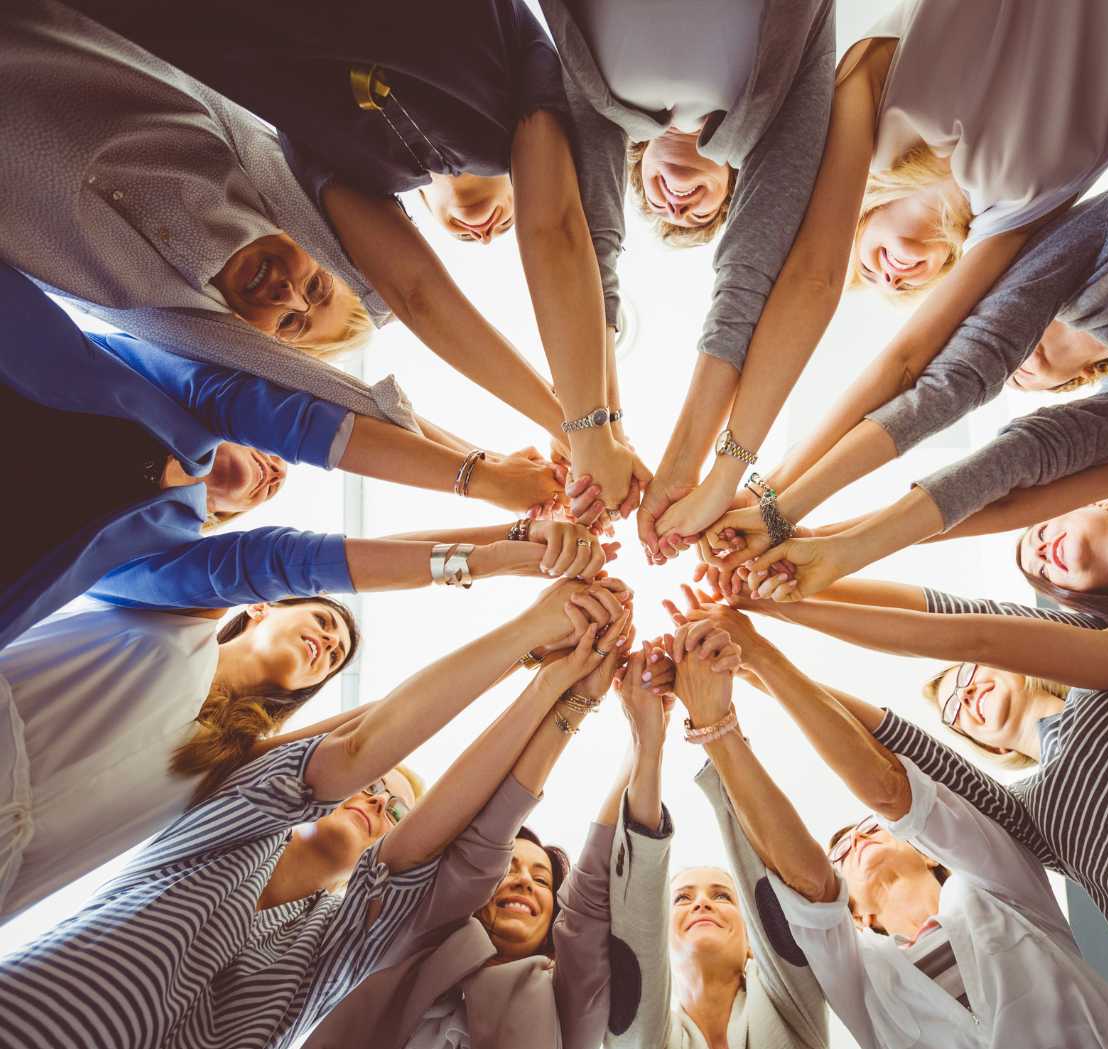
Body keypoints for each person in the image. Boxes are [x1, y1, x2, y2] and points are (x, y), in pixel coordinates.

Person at [649, 0, 1108, 557]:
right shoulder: (1021, 221)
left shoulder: (865, 101)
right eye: (903, 290)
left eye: (865, 267)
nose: (890, 276)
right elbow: (931, 373)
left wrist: (734, 476)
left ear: (854, 218)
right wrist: (771, 500)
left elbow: (825, 289)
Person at [0, 577, 633, 1049]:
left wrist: (557, 687)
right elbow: (360, 745)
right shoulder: (233, 827)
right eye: (374, 786)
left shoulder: (341, 940)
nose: (379, 800)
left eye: (394, 806)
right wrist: (531, 648)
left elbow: (441, 827)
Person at [57, 0, 649, 519]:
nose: (292, 293)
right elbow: (567, 236)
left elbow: (414, 294)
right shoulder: (535, 68)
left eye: (299, 312)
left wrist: (584, 429)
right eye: (317, 288)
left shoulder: (319, 156)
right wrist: (590, 428)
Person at [702, 577, 1108, 1049]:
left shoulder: (1098, 663)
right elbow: (897, 753)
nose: (965, 693)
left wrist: (785, 601)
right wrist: (756, 668)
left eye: (967, 675)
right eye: (952, 707)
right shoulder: (1022, 819)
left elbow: (962, 622)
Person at [0, 261, 603, 648]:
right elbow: (276, 411)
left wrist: (497, 551)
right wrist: (480, 475)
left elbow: (286, 565)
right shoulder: (182, 391)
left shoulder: (147, 557)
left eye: (272, 490)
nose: (277, 470)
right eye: (280, 460)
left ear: (224, 520)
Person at [0, 572, 628, 931]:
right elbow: (257, 551)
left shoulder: (219, 761)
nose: (329, 645)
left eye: (336, 657)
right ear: (259, 606)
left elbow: (368, 733)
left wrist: (524, 661)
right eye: (323, 623)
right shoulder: (177, 617)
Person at [280, 625, 675, 1049]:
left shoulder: (565, 1004)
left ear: (551, 921)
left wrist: (646, 740)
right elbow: (486, 839)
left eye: (542, 880)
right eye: (509, 871)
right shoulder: (417, 943)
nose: (525, 880)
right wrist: (574, 699)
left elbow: (590, 901)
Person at [535, 0, 837, 558]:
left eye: (660, 206)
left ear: (640, 165)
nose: (676, 205)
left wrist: (603, 434)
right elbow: (747, 280)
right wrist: (672, 461)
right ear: (735, 185)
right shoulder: (767, 117)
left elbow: (587, 244)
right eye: (700, 215)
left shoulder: (606, 106)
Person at [742, 407, 1108, 714]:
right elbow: (973, 638)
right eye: (1040, 571)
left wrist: (819, 536)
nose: (1042, 551)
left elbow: (1005, 498)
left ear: (1083, 502)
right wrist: (786, 606)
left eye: (1041, 532)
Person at [603, 619, 836, 1049]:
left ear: (752, 939)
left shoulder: (794, 1008)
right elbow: (635, 921)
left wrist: (715, 723)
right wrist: (647, 743)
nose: (703, 901)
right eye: (683, 897)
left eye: (723, 895)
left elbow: (766, 881)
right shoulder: (637, 1042)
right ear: (663, 934)